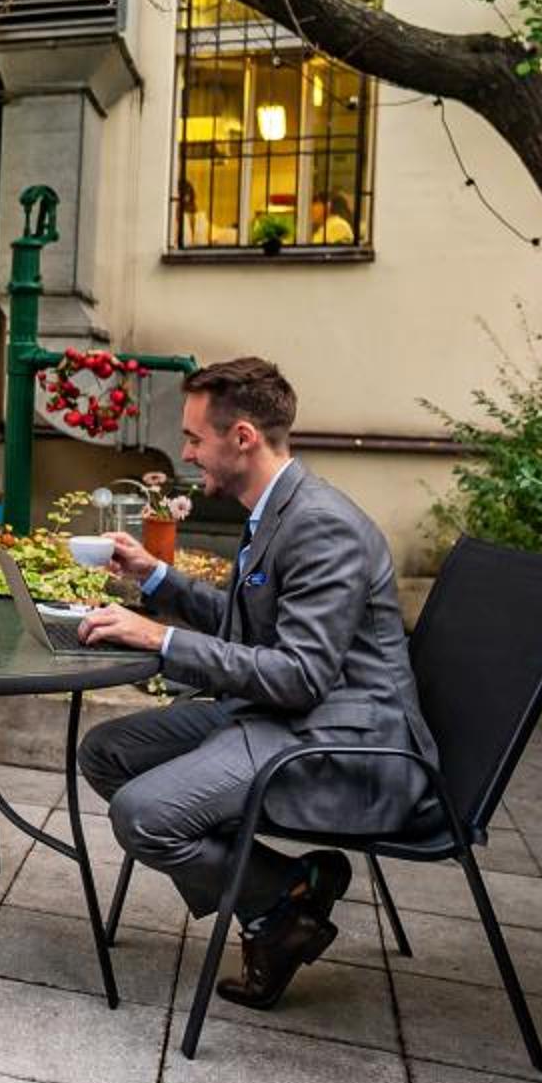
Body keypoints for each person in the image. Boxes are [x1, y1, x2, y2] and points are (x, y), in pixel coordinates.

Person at [74, 357, 430, 1007]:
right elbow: (249, 624)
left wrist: (159, 639)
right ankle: (283, 896)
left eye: (193, 438)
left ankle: (280, 902)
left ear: (242, 437)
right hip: (284, 716)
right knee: (107, 753)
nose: (186, 454)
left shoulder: (320, 525)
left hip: (340, 745)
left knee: (144, 815)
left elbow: (299, 676)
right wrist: (156, 576)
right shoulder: (276, 509)